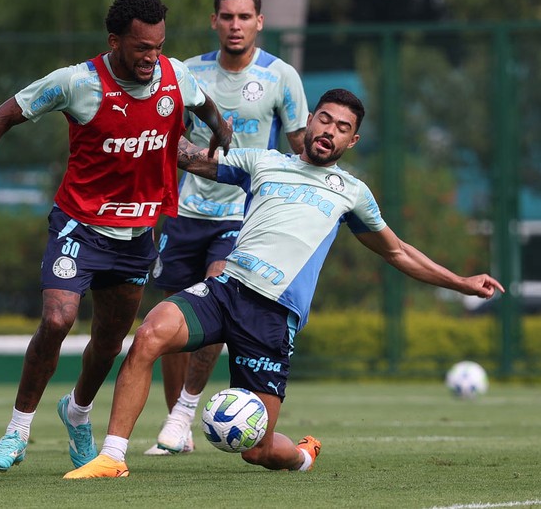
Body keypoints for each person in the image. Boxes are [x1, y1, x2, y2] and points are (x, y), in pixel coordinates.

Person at [63, 88, 504, 479]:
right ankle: (112, 457)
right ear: (310, 121)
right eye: (325, 119)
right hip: (226, 290)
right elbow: (188, 157)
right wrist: (143, 112)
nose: (330, 130)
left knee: (258, 452)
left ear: (353, 141)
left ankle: (302, 457)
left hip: (273, 317)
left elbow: (397, 251)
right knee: (148, 336)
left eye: (342, 127)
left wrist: (461, 282)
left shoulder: (351, 192)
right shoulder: (264, 161)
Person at [0, 0, 234, 473]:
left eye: (158, 47)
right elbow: (0, 119)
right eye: (142, 48)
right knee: (57, 320)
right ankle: (17, 430)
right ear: (115, 41)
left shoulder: (175, 74)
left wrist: (220, 137)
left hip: (137, 236)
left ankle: (77, 413)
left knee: (109, 343)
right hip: (79, 226)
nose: (152, 58)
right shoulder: (76, 82)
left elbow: (206, 109)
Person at [145, 0, 309, 456]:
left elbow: (300, 147)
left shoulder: (282, 76)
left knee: (216, 291)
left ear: (259, 21)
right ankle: (177, 427)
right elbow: (165, 134)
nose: (235, 25)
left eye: (244, 17)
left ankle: (183, 414)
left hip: (244, 215)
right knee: (173, 317)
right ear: (213, 21)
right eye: (227, 17)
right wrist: (194, 152)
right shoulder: (187, 72)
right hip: (185, 210)